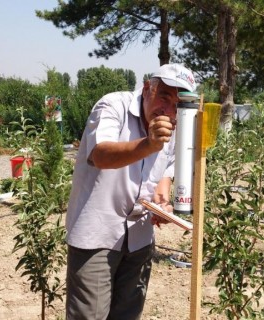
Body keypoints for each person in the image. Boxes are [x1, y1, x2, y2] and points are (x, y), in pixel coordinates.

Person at [65, 63, 196, 320]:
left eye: (177, 104)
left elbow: (164, 174)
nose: (168, 110)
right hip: (97, 236)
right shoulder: (113, 106)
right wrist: (148, 144)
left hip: (139, 238)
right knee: (89, 316)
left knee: (127, 315)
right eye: (164, 97)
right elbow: (100, 154)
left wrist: (162, 204)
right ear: (148, 88)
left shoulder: (175, 125)